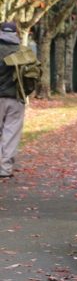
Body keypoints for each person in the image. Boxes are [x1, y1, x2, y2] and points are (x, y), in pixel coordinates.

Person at [0, 21, 25, 178]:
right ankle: (5, 168)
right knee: (11, 132)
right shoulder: (22, 51)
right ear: (16, 32)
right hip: (16, 98)